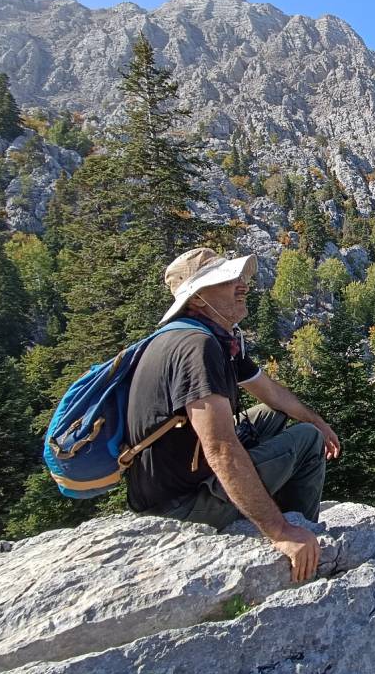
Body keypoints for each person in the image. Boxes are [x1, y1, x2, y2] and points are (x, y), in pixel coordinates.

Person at [126, 247, 341, 582]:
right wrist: (281, 531)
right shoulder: (197, 348)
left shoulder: (208, 337)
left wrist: (316, 419)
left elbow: (272, 394)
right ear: (197, 299)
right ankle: (301, 538)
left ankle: (277, 512)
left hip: (179, 482)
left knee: (277, 415)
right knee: (307, 441)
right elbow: (221, 449)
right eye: (227, 280)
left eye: (239, 278)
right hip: (181, 507)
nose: (242, 285)